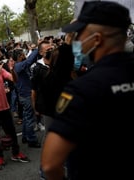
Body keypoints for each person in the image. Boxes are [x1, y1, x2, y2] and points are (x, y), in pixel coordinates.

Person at [41, 1, 134, 180]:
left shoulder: (83, 89)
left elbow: (50, 164)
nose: (78, 40)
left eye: (81, 34)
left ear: (97, 39)